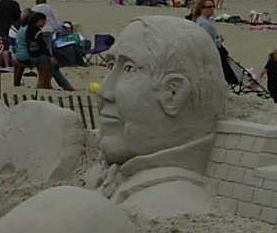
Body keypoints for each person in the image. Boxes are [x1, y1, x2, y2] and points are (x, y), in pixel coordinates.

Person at [94, 16, 228, 217]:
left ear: (173, 94)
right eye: (110, 65)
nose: (104, 91)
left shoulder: (178, 206)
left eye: (129, 68)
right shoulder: (110, 171)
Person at [192, 0, 240, 86]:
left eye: (213, 6)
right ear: (202, 9)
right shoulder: (204, 23)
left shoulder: (202, 21)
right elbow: (207, 42)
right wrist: (219, 40)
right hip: (213, 54)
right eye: (209, 7)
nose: (212, 9)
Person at [23, 11, 74, 91]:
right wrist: (50, 56)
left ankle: (45, 84)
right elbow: (42, 46)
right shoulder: (38, 31)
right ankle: (66, 85)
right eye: (44, 21)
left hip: (32, 56)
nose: (44, 23)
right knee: (54, 67)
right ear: (39, 21)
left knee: (51, 65)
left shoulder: (29, 29)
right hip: (38, 56)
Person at [0, 0, 22, 67]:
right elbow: (18, 16)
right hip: (12, 27)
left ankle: (1, 63)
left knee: (2, 47)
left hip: (1, 27)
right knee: (11, 46)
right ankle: (11, 62)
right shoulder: (14, 4)